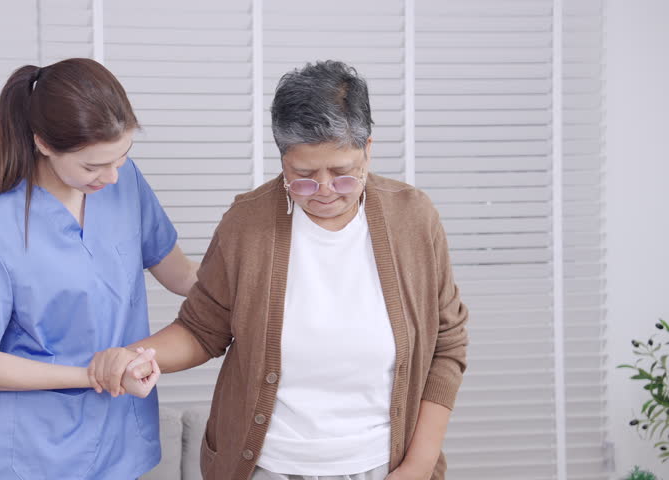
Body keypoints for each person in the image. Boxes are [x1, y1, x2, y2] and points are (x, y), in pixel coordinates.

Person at [89, 60, 469, 480]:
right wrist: (135, 356)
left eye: (343, 175)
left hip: (383, 465)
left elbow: (446, 347)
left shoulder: (413, 219)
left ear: (368, 149)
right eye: (303, 177)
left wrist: (417, 465)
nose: (324, 192)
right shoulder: (247, 223)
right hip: (266, 466)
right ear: (283, 159)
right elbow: (202, 330)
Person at [0, 58, 198, 480]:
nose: (111, 176)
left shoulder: (124, 182)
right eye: (92, 166)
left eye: (121, 157)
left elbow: (181, 275)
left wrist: (259, 275)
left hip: (118, 441)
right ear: (43, 143)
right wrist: (93, 373)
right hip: (34, 455)